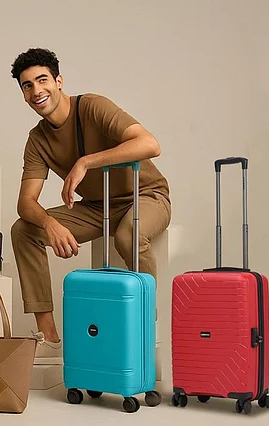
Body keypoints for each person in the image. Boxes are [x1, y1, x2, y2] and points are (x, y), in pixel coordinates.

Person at [9, 48, 171, 362]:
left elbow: (150, 144)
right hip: (99, 207)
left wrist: (86, 162)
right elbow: (26, 202)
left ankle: (145, 327)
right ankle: (50, 337)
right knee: (23, 230)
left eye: (42, 80)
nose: (36, 90)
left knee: (128, 236)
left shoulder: (92, 107)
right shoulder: (38, 139)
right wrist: (50, 224)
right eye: (27, 85)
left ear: (58, 81)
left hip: (146, 195)